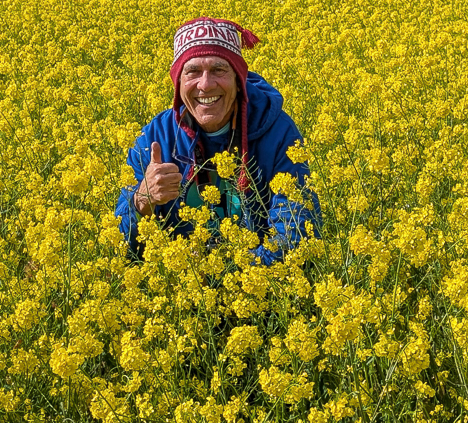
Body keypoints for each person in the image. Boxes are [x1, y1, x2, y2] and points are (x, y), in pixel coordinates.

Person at [115, 17, 319, 265]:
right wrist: (141, 200)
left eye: (218, 70)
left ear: (238, 79)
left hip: (258, 280)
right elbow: (120, 248)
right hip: (181, 281)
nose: (205, 85)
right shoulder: (155, 138)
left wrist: (225, 273)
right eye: (192, 72)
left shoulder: (278, 133)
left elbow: (296, 236)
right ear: (178, 82)